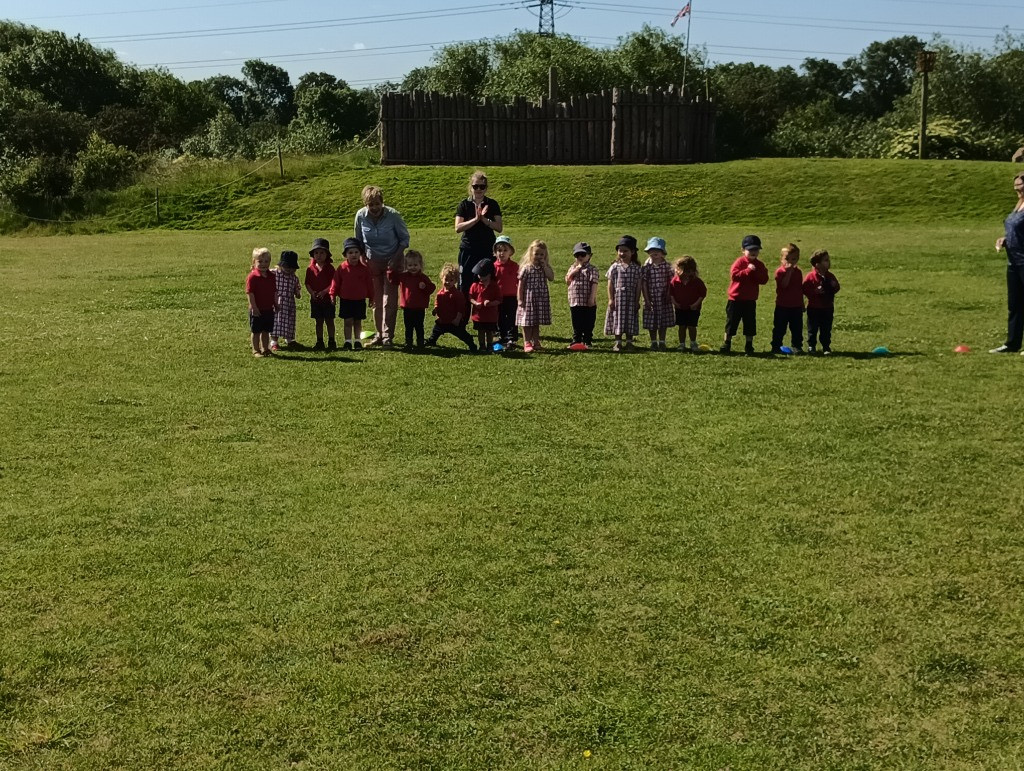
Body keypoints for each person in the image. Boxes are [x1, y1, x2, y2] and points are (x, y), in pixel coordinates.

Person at [355, 185, 410, 348]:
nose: (374, 208)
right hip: (372, 262)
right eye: (370, 205)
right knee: (376, 301)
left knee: (389, 300)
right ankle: (378, 334)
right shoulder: (360, 216)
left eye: (377, 204)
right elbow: (358, 239)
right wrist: (363, 257)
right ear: (366, 204)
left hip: (393, 261)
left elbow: (404, 239)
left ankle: (388, 336)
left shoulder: (393, 216)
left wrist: (396, 258)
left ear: (382, 203)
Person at [454, 170, 503, 299]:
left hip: (487, 250)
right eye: (475, 186)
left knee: (487, 283)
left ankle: (484, 317)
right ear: (471, 187)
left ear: (486, 188)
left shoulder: (492, 204)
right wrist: (475, 219)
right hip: (468, 250)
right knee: (465, 284)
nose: (479, 189)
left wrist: (484, 220)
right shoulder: (464, 205)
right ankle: (463, 318)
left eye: (482, 186)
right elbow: (458, 227)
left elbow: (499, 227)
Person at [991, 172, 1024, 354]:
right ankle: (1012, 343)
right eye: (1015, 186)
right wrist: (1004, 240)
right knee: (1015, 305)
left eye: (1020, 185)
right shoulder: (1019, 205)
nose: (1017, 189)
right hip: (1014, 262)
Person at [721, 234, 769, 355]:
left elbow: (764, 279)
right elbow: (734, 276)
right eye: (750, 250)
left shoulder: (759, 265)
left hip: (750, 300)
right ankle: (727, 343)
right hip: (735, 299)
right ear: (743, 250)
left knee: (750, 324)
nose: (753, 252)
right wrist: (747, 270)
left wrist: (755, 271)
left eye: (756, 250)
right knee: (731, 322)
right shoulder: (740, 262)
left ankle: (749, 345)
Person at [331, 237, 374, 350]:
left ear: (360, 253)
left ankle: (358, 341)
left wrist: (371, 297)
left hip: (359, 299)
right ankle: (348, 341)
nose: (353, 255)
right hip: (346, 299)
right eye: (350, 252)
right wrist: (332, 295)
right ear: (345, 255)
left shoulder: (364, 269)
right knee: (348, 321)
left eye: (356, 252)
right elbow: (335, 282)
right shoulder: (342, 268)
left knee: (358, 321)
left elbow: (370, 284)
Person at [387, 249, 436, 349]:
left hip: (419, 308)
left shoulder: (423, 278)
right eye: (410, 265)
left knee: (419, 326)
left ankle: (420, 343)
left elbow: (432, 288)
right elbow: (393, 280)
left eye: (415, 265)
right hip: (407, 308)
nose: (413, 268)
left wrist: (425, 287)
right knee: (408, 327)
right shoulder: (403, 277)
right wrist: (390, 269)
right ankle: (408, 343)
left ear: (420, 265)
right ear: (406, 266)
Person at [426, 263, 477, 352]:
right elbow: (437, 303)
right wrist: (435, 309)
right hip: (442, 320)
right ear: (442, 278)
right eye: (446, 279)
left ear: (456, 281)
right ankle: (432, 341)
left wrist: (457, 319)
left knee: (461, 334)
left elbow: (460, 308)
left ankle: (471, 343)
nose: (448, 282)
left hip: (453, 321)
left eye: (451, 280)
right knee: (436, 331)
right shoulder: (440, 293)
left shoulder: (457, 294)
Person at [516, 239, 554, 353]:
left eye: (541, 254)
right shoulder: (526, 268)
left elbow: (551, 278)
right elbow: (520, 285)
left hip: (540, 298)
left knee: (536, 321)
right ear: (531, 253)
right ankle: (527, 342)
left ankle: (536, 341)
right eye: (536, 254)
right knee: (527, 321)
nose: (538, 256)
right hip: (528, 298)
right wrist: (520, 299)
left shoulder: (544, 267)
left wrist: (545, 266)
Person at [605, 235, 642, 352]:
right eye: (620, 251)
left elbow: (638, 286)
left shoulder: (636, 268)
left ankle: (629, 342)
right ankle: (618, 342)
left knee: (630, 318)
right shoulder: (614, 267)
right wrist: (611, 299)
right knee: (618, 318)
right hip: (618, 297)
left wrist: (637, 300)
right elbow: (610, 284)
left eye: (625, 251)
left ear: (632, 252)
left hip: (631, 298)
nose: (622, 253)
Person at [803, 249, 840, 355]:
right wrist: (814, 291)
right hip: (814, 307)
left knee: (826, 328)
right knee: (812, 328)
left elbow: (837, 287)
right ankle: (811, 346)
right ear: (817, 264)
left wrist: (834, 286)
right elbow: (805, 289)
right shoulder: (811, 276)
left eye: (828, 260)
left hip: (827, 307)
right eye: (825, 260)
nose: (828, 262)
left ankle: (826, 346)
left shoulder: (830, 276)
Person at [770, 243, 804, 355]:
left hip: (796, 305)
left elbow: (799, 288)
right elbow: (783, 285)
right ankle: (776, 346)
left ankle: (797, 346)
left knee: (797, 328)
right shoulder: (780, 272)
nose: (790, 261)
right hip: (783, 305)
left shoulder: (798, 272)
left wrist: (802, 303)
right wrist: (788, 272)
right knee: (780, 328)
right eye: (787, 259)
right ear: (782, 259)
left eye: (793, 259)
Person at [641, 236, 674, 349]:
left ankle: (662, 341)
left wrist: (669, 293)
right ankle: (653, 341)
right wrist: (646, 298)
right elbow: (644, 283)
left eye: (657, 251)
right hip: (651, 297)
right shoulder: (646, 267)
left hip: (663, 297)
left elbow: (671, 281)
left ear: (662, 253)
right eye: (651, 251)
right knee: (651, 320)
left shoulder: (667, 266)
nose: (654, 254)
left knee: (663, 320)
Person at [565, 241, 599, 349]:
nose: (580, 257)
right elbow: (567, 280)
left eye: (583, 255)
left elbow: (594, 283)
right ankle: (576, 339)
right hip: (575, 301)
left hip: (587, 301)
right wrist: (575, 270)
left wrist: (592, 298)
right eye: (577, 255)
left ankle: (587, 340)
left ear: (589, 256)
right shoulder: (573, 267)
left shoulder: (592, 269)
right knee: (576, 322)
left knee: (588, 322)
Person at [304, 237, 336, 350]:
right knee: (318, 321)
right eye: (316, 253)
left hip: (327, 299)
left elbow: (334, 283)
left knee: (329, 321)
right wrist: (312, 293)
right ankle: (319, 341)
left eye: (322, 253)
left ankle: (332, 341)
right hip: (316, 300)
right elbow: (307, 283)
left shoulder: (330, 268)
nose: (319, 255)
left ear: (327, 254)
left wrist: (325, 292)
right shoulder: (310, 269)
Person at [669, 256, 707, 352]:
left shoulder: (697, 282)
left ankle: (693, 343)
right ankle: (682, 344)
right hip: (680, 308)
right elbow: (671, 293)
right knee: (681, 326)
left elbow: (702, 294)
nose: (686, 274)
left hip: (693, 309)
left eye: (688, 272)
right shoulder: (675, 281)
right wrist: (675, 303)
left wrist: (696, 304)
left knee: (691, 326)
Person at [245, 247, 277, 357]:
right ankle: (256, 350)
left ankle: (265, 349)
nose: (264, 264)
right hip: (257, 309)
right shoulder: (253, 277)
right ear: (254, 262)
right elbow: (250, 293)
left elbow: (274, 291)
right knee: (256, 331)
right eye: (260, 261)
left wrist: (276, 304)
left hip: (268, 308)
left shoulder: (272, 276)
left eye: (266, 261)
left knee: (266, 331)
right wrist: (254, 307)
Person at [270, 250, 301, 351]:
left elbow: (296, 288)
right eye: (287, 267)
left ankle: (289, 340)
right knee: (276, 322)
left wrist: (297, 292)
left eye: (292, 268)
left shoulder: (294, 278)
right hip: (277, 302)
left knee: (289, 321)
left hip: (289, 303)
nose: (289, 270)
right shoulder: (274, 274)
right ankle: (274, 341)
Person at [469, 259, 502, 352]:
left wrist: (490, 303)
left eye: (484, 277)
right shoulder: (475, 285)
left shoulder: (495, 286)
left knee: (489, 331)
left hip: (490, 315)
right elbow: (470, 297)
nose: (482, 279)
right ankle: (482, 345)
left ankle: (490, 345)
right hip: (479, 315)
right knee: (481, 331)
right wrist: (475, 303)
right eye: (480, 276)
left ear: (490, 275)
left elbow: (499, 300)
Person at [492, 235, 519, 348]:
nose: (502, 253)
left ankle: (511, 338)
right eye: (499, 250)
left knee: (513, 318)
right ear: (495, 252)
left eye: (505, 250)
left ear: (510, 252)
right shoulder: (493, 267)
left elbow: (519, 280)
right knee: (500, 318)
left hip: (512, 296)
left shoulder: (514, 266)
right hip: (499, 297)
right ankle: (502, 337)